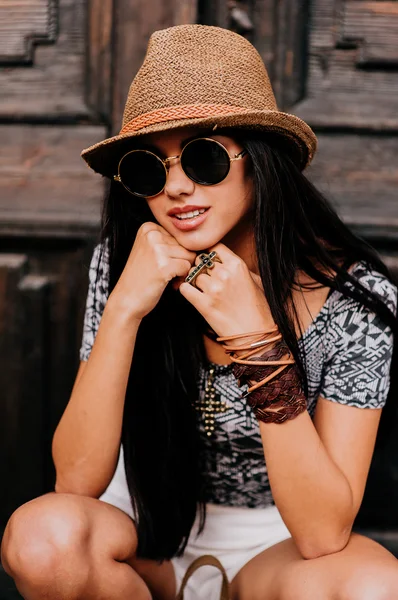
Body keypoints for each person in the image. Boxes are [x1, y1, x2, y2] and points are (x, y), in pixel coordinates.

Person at [2, 23, 398, 600]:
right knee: (41, 541)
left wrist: (259, 341)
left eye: (203, 157)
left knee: (373, 587)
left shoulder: (352, 298)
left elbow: (321, 533)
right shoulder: (125, 261)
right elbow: (76, 481)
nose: (177, 188)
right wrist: (126, 309)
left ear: (260, 159)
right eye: (147, 167)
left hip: (279, 545)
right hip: (145, 533)